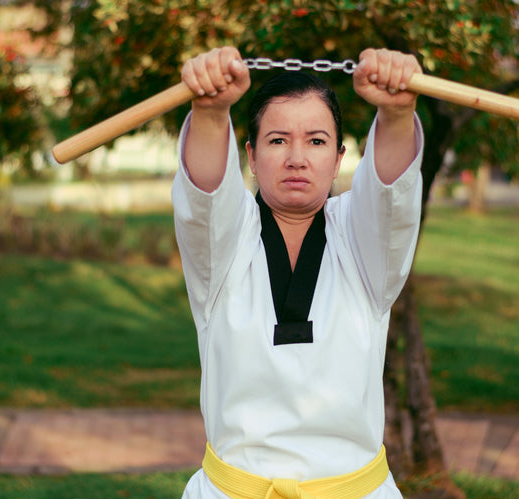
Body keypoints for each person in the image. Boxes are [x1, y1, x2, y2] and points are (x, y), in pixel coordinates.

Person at [171, 46, 423, 499]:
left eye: (317, 140)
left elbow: (391, 197)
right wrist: (210, 113)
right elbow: (203, 201)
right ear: (250, 154)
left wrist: (398, 114)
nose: (297, 158)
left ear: (340, 156)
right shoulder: (225, 244)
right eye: (277, 140)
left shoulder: (363, 241)